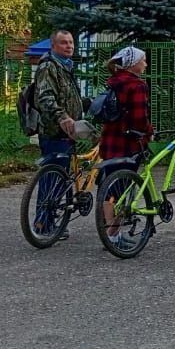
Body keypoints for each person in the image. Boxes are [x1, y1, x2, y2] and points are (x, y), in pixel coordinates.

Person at [31, 29, 84, 233]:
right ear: (53, 45)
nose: (69, 46)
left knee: (61, 178)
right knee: (51, 178)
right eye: (64, 43)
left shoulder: (65, 67)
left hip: (68, 132)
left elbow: (68, 97)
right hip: (54, 131)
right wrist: (62, 117)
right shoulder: (49, 66)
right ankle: (44, 224)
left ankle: (51, 222)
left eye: (71, 42)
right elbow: (45, 97)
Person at [97, 46, 153, 162]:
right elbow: (139, 118)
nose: (145, 64)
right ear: (133, 63)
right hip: (128, 143)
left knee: (110, 177)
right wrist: (149, 132)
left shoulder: (114, 81)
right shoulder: (137, 85)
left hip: (110, 139)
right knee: (126, 177)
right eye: (143, 61)